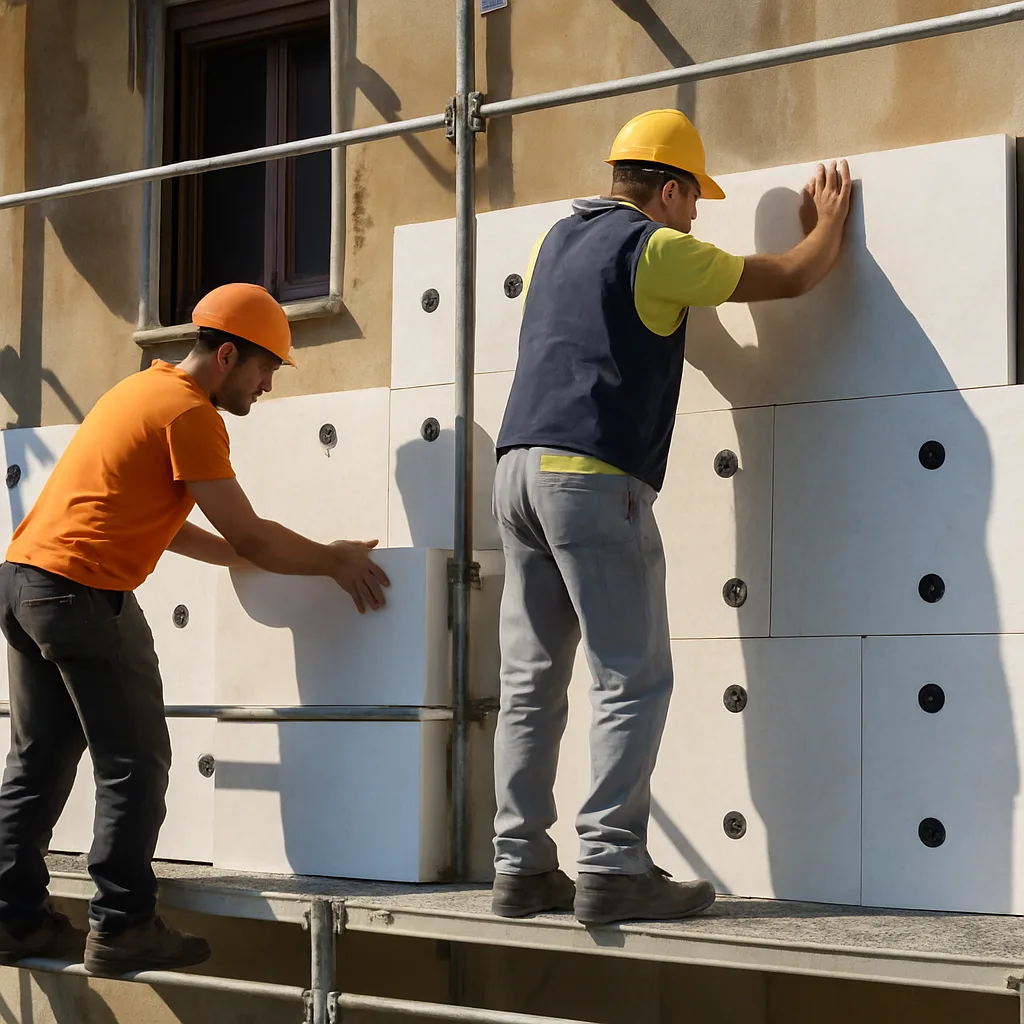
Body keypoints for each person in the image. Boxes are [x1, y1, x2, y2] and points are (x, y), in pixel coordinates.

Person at [489, 109, 852, 925]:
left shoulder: (558, 243)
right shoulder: (656, 249)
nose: (697, 219)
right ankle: (613, 867)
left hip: (516, 473)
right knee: (630, 675)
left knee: (530, 682)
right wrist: (827, 225)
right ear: (672, 188)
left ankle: (520, 866)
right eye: (695, 202)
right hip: (589, 478)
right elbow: (792, 276)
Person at [0, 283, 389, 974]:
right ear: (229, 354)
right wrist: (330, 560)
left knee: (38, 761)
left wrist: (240, 552)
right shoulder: (190, 413)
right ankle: (122, 926)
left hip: (23, 582)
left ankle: (14, 921)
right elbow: (250, 531)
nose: (267, 385)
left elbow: (170, 520)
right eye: (265, 368)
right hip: (81, 591)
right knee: (135, 763)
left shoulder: (138, 392)